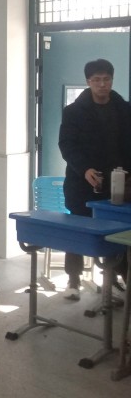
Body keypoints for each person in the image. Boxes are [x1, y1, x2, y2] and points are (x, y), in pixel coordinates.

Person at [58, 58, 130, 300]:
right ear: (88, 82)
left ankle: (115, 277)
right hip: (82, 182)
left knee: (117, 231)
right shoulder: (73, 112)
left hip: (117, 183)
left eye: (106, 79)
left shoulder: (124, 109)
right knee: (78, 229)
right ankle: (73, 279)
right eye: (97, 80)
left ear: (112, 80)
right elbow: (67, 145)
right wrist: (84, 169)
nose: (102, 84)